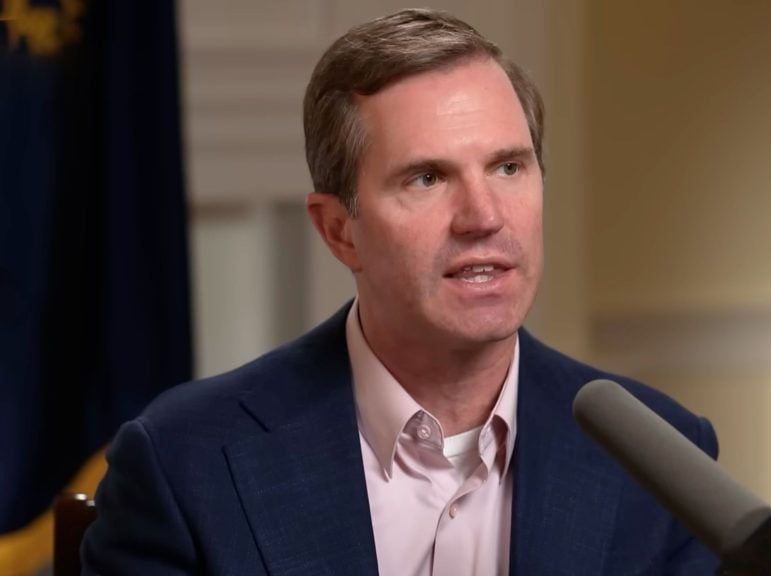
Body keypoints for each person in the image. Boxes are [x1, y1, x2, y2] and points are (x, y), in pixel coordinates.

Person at [81, 8, 720, 575]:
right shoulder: (183, 464)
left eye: (508, 166)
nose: (484, 216)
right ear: (339, 231)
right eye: (426, 178)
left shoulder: (664, 459)